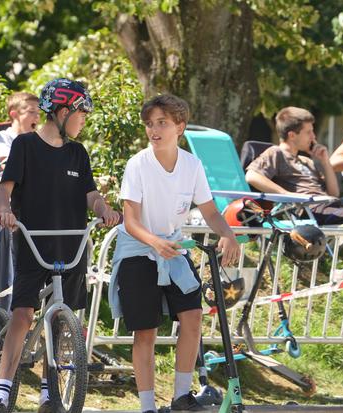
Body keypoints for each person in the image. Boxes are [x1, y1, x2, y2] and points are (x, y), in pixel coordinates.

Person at [0, 78, 120, 413]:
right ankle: (2, 389)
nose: (84, 120)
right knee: (23, 312)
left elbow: (90, 194)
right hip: (34, 240)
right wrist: (4, 209)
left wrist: (103, 209)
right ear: (62, 111)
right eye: (81, 113)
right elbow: (5, 189)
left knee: (62, 317)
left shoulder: (78, 152)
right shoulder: (25, 145)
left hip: (71, 242)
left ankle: (50, 391)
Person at [109, 95, 240, 413]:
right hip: (138, 251)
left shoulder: (192, 164)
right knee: (146, 332)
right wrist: (154, 242)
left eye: (162, 123)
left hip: (172, 248)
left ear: (180, 127)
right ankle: (147, 407)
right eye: (150, 124)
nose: (154, 130)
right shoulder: (137, 163)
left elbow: (210, 211)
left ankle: (181, 397)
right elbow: (131, 221)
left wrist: (228, 233)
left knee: (193, 318)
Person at [245, 106, 343, 264]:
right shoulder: (276, 153)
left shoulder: (306, 161)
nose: (313, 136)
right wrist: (286, 194)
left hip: (331, 206)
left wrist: (324, 161)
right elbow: (252, 175)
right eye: (308, 132)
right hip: (309, 209)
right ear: (292, 135)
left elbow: (334, 193)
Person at [0, 92, 41, 166]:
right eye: (31, 111)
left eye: (39, 113)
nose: (37, 117)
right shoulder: (5, 136)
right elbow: (5, 166)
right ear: (14, 115)